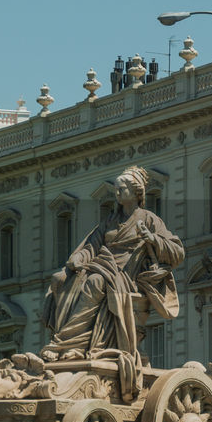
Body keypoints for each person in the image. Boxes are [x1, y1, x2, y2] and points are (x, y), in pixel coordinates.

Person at [41, 165, 184, 397]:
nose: (118, 193)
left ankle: (66, 343)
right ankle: (70, 344)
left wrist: (153, 239)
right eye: (116, 189)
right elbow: (91, 246)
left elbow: (177, 252)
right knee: (62, 280)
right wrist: (77, 259)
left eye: (123, 188)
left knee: (95, 282)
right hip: (103, 266)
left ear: (137, 192)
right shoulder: (109, 221)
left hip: (127, 277)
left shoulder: (149, 220)